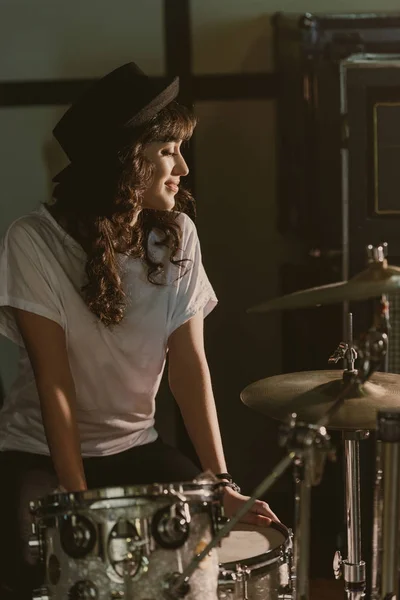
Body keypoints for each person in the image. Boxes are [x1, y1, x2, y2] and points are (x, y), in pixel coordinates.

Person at [0, 62, 278, 599]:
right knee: (50, 566)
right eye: (169, 149)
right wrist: (80, 504)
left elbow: (190, 369)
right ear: (127, 158)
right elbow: (54, 383)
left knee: (197, 568)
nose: (183, 168)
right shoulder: (32, 241)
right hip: (39, 451)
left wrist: (220, 487)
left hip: (135, 446)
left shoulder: (177, 235)